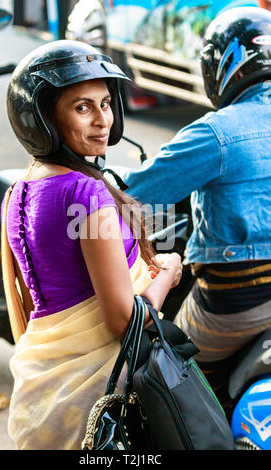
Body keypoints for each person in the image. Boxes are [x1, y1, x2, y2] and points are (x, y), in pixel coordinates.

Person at [1, 40, 182, 450]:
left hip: (43, 397)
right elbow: (124, 321)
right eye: (83, 107)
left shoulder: (19, 191)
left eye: (105, 103)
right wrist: (167, 274)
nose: (103, 120)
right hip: (97, 402)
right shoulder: (85, 194)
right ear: (44, 120)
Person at [122, 6, 271, 405]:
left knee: (158, 371)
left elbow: (131, 196)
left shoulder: (218, 131)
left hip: (238, 299)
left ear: (226, 65)